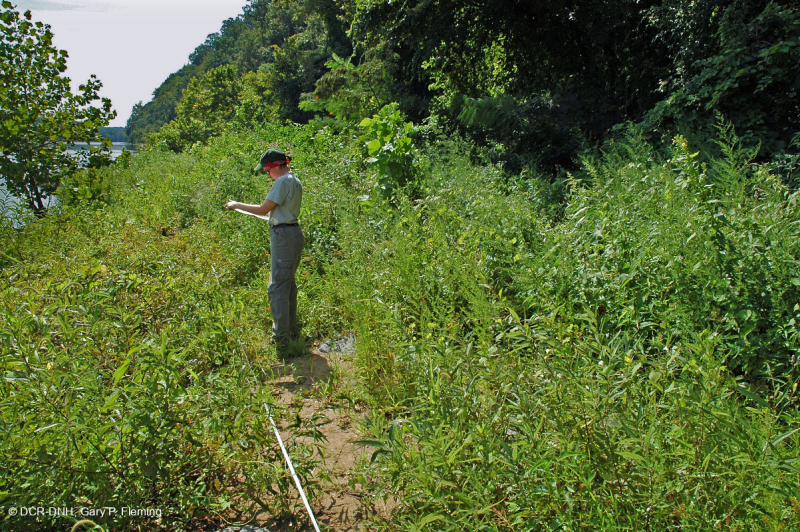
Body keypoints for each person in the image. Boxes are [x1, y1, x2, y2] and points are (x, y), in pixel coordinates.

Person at [224, 149, 305, 355]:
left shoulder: (282, 181)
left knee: (277, 286)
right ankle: (292, 332)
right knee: (288, 284)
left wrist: (236, 205)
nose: (267, 174)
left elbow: (263, 209)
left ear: (276, 165)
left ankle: (282, 339)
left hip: (284, 237)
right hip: (293, 232)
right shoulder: (294, 179)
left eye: (267, 170)